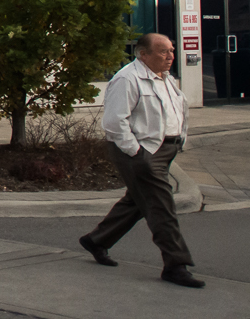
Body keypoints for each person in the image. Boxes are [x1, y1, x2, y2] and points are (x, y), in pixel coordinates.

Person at [79, 32, 202, 287]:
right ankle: (175, 264)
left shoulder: (165, 78)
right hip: (140, 151)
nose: (170, 56)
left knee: (137, 200)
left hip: (164, 148)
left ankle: (97, 240)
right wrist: (137, 153)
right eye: (163, 52)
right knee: (161, 205)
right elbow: (114, 123)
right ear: (143, 54)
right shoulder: (127, 79)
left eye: (171, 50)